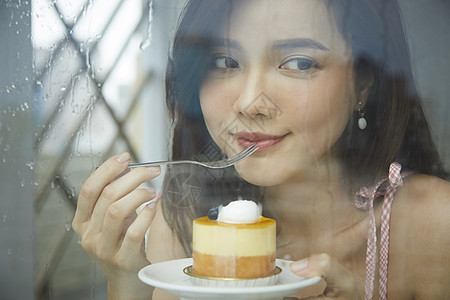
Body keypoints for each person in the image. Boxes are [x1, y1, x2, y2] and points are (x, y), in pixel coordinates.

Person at [72, 0, 450, 299]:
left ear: (363, 84)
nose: (250, 103)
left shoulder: (434, 225)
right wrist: (126, 285)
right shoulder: (184, 222)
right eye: (224, 62)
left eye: (299, 63)